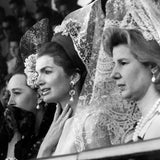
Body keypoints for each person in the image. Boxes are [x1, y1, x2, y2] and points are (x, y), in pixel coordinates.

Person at [103, 0, 160, 142]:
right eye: (113, 64)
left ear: (152, 66)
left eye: (123, 63)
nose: (113, 74)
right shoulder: (143, 124)